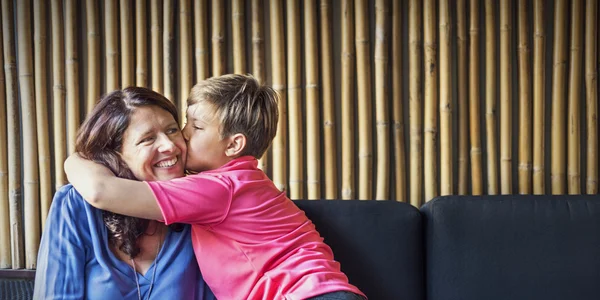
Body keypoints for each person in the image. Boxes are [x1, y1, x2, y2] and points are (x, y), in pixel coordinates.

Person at [65, 74, 367, 300]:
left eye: (195, 127)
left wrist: (76, 158)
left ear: (234, 144)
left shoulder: (218, 189)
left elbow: (100, 192)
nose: (180, 136)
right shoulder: (244, 181)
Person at [34, 87, 215, 300]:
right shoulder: (76, 205)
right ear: (117, 154)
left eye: (172, 130)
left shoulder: (204, 205)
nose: (169, 145)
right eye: (147, 138)